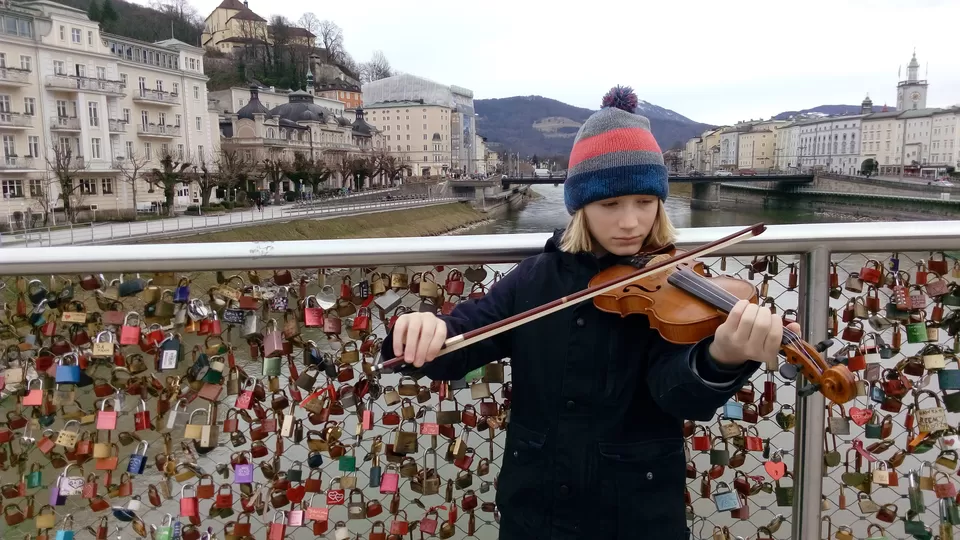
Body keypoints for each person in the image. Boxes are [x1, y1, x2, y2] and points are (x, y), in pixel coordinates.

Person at [381, 86, 800, 539]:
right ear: (580, 207)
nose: (630, 223)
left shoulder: (677, 283)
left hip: (635, 511)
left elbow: (678, 395)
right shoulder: (535, 279)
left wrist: (723, 357)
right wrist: (420, 328)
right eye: (610, 204)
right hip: (536, 509)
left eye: (645, 202)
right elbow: (460, 340)